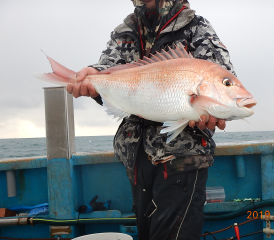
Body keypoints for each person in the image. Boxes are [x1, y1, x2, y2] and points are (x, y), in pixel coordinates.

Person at [67, 0, 236, 239]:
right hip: (136, 155)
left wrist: (211, 109)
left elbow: (221, 76)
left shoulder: (195, 26)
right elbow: (108, 69)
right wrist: (94, 77)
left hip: (182, 157)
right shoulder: (125, 30)